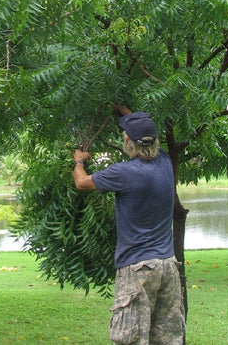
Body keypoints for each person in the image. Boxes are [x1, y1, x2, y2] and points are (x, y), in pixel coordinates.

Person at [73, 111, 185, 345]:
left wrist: (79, 161)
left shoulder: (125, 172)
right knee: (167, 339)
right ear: (154, 140)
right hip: (168, 266)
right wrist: (129, 113)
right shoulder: (165, 161)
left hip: (137, 268)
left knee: (130, 339)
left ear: (127, 142)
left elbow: (82, 183)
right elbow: (145, 131)